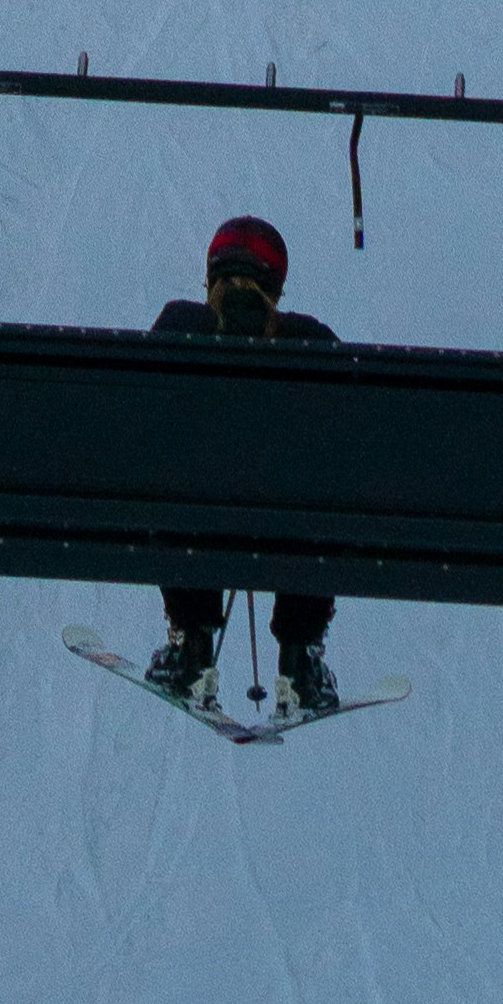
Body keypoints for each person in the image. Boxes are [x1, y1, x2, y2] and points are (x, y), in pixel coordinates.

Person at [146, 206, 343, 718]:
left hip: (200, 526)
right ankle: (300, 656)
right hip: (287, 530)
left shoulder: (177, 326)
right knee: (324, 499)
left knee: (173, 485)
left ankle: (190, 642)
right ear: (275, 282)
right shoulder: (313, 342)